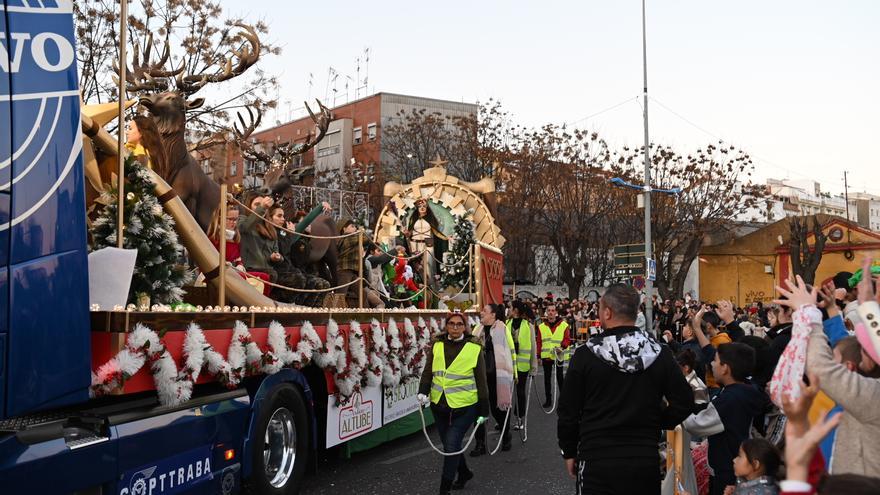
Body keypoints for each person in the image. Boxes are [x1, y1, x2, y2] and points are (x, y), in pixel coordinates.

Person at [558, 284, 694, 495]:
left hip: (596, 457)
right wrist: (658, 420)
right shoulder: (659, 353)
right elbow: (684, 400)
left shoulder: (585, 355)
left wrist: (569, 450)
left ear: (607, 312)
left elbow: (568, 411)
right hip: (643, 456)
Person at [417, 311, 490, 495]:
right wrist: (422, 391)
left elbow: (481, 380)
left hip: (465, 406)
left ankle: (444, 489)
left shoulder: (474, 348)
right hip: (439, 404)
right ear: (446, 326)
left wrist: (484, 409)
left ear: (465, 327)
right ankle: (464, 472)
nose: (455, 327)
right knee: (451, 445)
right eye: (451, 324)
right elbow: (428, 370)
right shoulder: (437, 344)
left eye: (459, 324)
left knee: (450, 446)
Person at [684, 343, 769, 495]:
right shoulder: (748, 389)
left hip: (726, 469)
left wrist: (677, 406)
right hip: (739, 466)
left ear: (725, 368)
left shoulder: (729, 400)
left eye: (715, 360)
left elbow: (696, 425)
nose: (711, 363)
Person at [470, 303, 515, 456]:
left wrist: (514, 373)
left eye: (485, 311)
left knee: (498, 410)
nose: (481, 312)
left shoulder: (503, 329)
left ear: (493, 315)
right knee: (479, 411)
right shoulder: (477, 329)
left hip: (497, 376)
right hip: (480, 376)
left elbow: (511, 352)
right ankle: (480, 443)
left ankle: (505, 434)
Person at [271, 202, 332, 306]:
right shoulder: (269, 232)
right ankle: (292, 308)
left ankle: (309, 312)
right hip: (279, 271)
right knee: (300, 280)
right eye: (279, 216)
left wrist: (320, 207)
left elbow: (305, 222)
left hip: (291, 270)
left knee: (324, 284)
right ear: (269, 217)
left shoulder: (285, 233)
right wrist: (290, 234)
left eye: (283, 216)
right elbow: (284, 249)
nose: (283, 219)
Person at [336, 219, 384, 309]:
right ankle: (334, 314)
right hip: (345, 271)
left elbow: (365, 241)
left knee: (363, 294)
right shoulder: (346, 238)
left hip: (352, 271)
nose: (355, 228)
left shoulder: (353, 238)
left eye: (355, 226)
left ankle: (365, 314)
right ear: (344, 228)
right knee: (340, 295)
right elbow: (365, 239)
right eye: (352, 226)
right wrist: (362, 231)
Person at [507, 300, 538, 428]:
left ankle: (519, 418)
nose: (508, 309)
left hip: (522, 366)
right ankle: (503, 420)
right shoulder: (506, 324)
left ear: (515, 310)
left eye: (510, 307)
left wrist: (534, 366)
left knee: (520, 392)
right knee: (506, 393)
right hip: (508, 365)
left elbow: (533, 346)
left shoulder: (528, 326)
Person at [238, 194, 282, 283]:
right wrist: (262, 207)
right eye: (257, 204)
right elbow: (244, 227)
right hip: (250, 269)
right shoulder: (243, 219)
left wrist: (277, 257)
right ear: (249, 207)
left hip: (269, 269)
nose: (263, 206)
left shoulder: (270, 227)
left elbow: (276, 251)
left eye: (264, 205)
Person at [537, 303, 570, 408]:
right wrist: (538, 356)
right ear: (547, 312)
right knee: (547, 379)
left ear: (556, 313)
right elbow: (539, 342)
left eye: (552, 310)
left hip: (558, 355)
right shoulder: (541, 326)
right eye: (549, 310)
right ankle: (548, 400)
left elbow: (567, 339)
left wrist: (562, 347)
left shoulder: (563, 325)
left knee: (560, 378)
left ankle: (564, 400)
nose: (551, 312)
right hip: (546, 356)